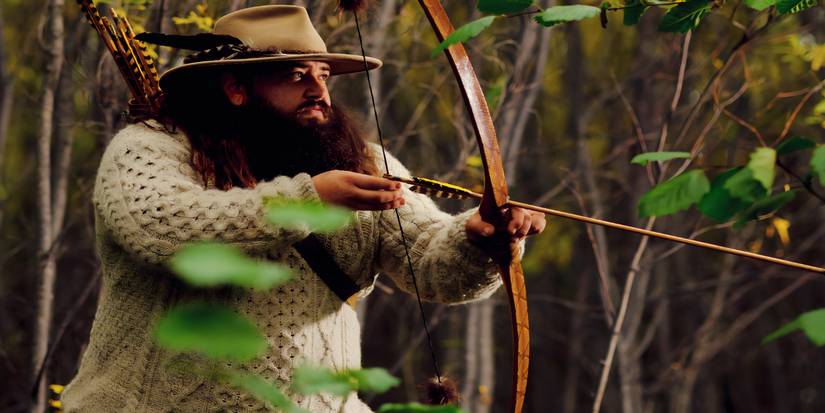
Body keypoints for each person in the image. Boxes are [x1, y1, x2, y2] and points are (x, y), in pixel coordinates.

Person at [61, 5, 545, 412]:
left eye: (324, 75)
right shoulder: (153, 148)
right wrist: (312, 198)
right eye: (297, 76)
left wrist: (480, 240)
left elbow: (431, 264)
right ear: (236, 88)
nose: (320, 92)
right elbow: (159, 225)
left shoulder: (363, 162)